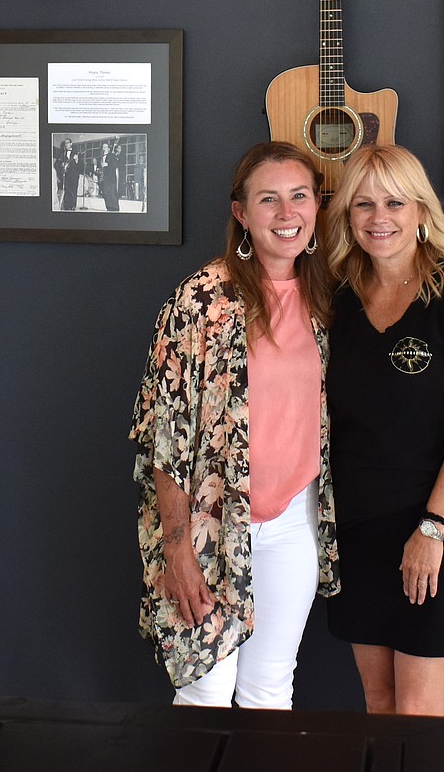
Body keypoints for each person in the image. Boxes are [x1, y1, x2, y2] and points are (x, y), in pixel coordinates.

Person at [130, 141, 341, 707]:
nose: (286, 213)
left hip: (293, 522)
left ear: (318, 207)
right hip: (210, 524)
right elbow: (163, 437)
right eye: (268, 199)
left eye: (299, 197)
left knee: (269, 690)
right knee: (207, 691)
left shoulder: (326, 300)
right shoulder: (202, 300)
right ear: (241, 214)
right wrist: (178, 551)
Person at [323, 144, 444, 717]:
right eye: (363, 205)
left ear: (422, 211)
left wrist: (433, 529)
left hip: (437, 521)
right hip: (357, 524)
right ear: (347, 217)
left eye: (395, 203)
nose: (380, 218)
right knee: (378, 702)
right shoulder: (338, 299)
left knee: (420, 712)